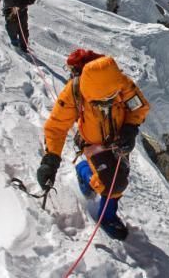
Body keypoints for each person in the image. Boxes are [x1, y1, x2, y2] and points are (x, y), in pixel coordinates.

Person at [37, 49, 150, 240]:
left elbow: (139, 107)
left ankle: (83, 170)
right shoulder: (74, 92)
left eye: (111, 97)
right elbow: (56, 127)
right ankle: (107, 216)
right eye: (101, 101)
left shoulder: (121, 83)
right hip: (93, 143)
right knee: (114, 184)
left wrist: (130, 129)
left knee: (120, 174)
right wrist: (50, 159)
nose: (107, 102)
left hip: (119, 139)